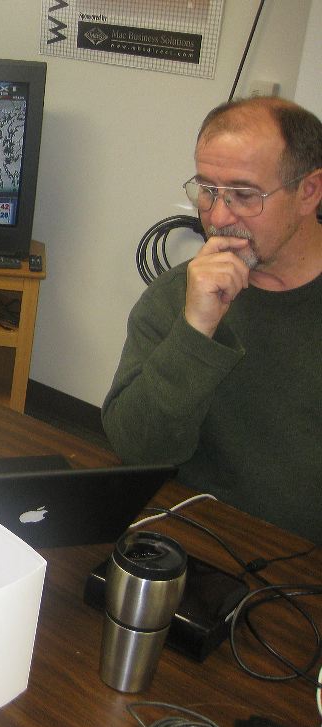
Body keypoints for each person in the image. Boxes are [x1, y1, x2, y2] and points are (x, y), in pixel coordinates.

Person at [102, 96, 321, 544]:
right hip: (198, 538)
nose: (218, 218)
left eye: (244, 195)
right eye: (207, 191)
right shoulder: (176, 296)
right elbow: (136, 451)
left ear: (309, 192)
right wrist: (195, 331)